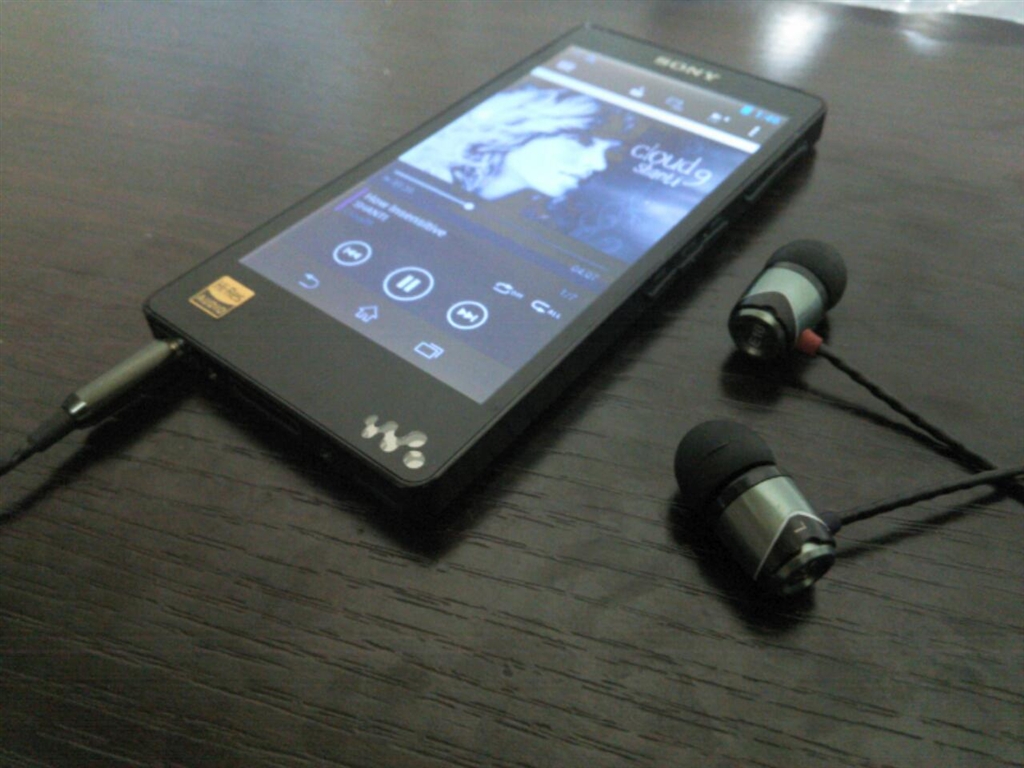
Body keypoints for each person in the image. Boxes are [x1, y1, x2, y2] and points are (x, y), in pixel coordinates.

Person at [400, 85, 619, 201]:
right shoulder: (420, 174)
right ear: (526, 129)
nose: (600, 165)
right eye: (583, 140)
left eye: (609, 152)